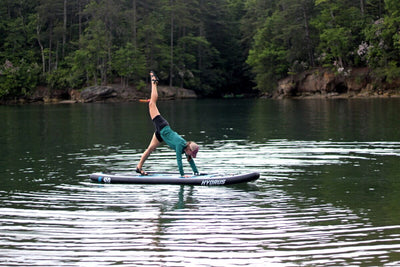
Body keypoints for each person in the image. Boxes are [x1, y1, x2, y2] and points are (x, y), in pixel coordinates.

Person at [136, 71, 199, 177]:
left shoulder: (186, 149)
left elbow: (190, 161)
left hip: (161, 134)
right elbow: (179, 161)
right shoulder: (180, 145)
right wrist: (182, 175)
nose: (191, 156)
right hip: (162, 126)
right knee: (152, 103)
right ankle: (153, 82)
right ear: (188, 149)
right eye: (191, 153)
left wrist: (196, 173)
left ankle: (139, 167)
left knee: (150, 149)